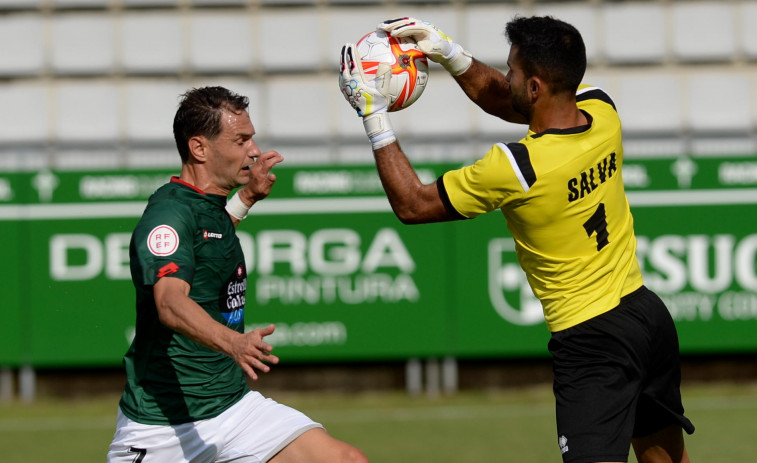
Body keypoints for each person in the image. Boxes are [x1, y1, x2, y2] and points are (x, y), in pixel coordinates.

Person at [339, 16, 695, 463]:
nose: (505, 77)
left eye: (512, 71)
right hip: (647, 316)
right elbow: (511, 104)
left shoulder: (517, 168)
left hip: (592, 340)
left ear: (535, 87)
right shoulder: (604, 112)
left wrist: (373, 115)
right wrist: (450, 54)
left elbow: (412, 205)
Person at [107, 86, 369, 463]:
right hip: (163, 427)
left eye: (253, 138)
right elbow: (169, 303)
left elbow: (208, 245)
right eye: (241, 140)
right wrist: (234, 343)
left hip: (234, 408)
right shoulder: (168, 215)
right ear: (199, 149)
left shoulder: (206, 205)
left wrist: (246, 199)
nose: (254, 150)